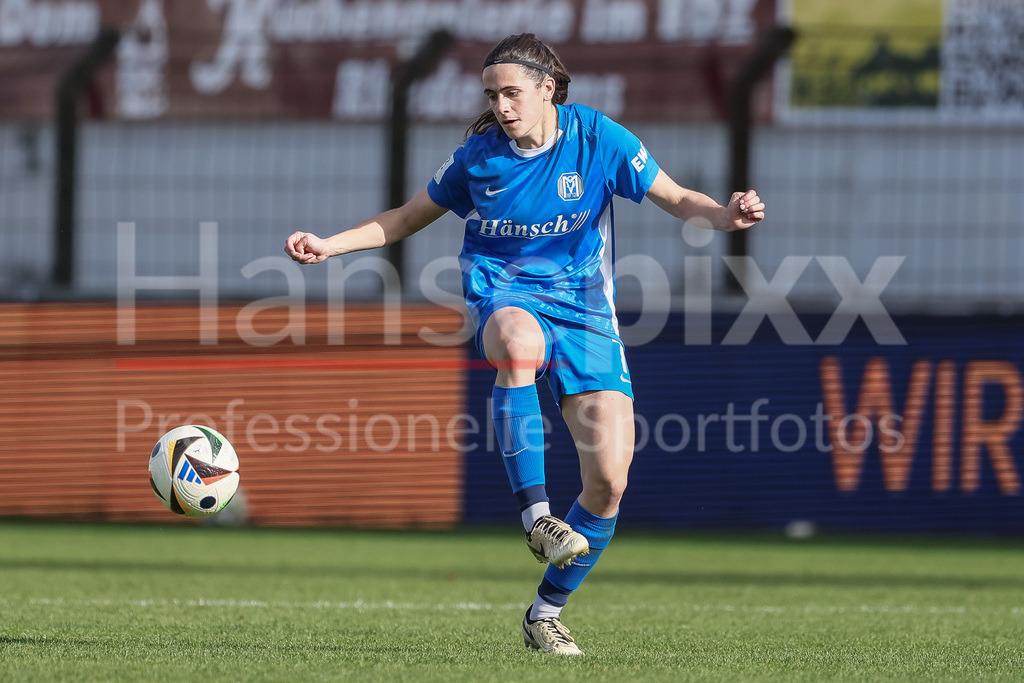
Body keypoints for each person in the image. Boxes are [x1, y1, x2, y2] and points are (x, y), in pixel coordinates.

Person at [285, 32, 764, 655]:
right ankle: (537, 517)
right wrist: (330, 245)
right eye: (492, 95)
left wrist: (724, 215)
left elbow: (674, 197)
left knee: (610, 483)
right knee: (516, 341)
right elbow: (402, 218)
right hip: (505, 294)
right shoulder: (478, 158)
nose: (501, 106)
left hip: (586, 314)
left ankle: (545, 614)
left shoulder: (598, 138)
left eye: (511, 93)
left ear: (548, 89)